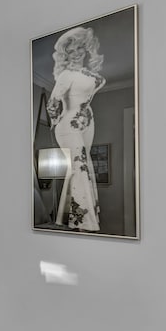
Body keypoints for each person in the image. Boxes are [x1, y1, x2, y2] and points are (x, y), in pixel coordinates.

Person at [46, 26, 106, 231]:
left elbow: (98, 82)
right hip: (68, 125)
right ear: (65, 54)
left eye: (80, 48)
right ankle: (85, 222)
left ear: (86, 48)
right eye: (71, 51)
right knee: (80, 167)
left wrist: (84, 116)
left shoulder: (91, 75)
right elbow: (53, 104)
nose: (76, 53)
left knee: (82, 167)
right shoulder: (66, 75)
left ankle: (70, 218)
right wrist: (55, 123)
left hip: (86, 123)